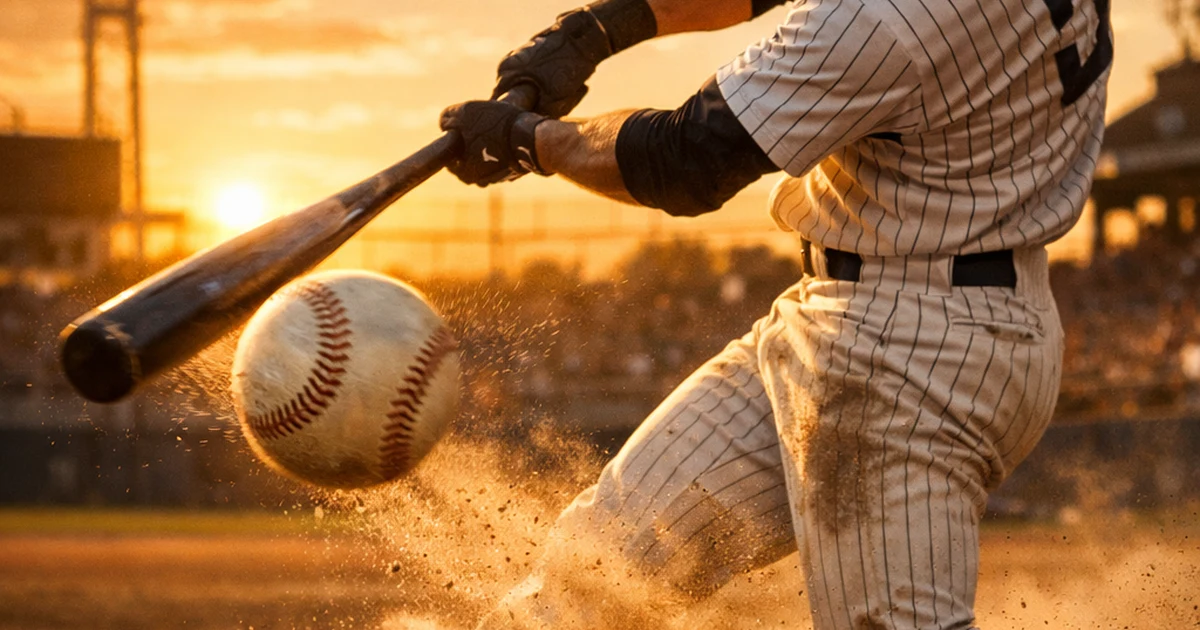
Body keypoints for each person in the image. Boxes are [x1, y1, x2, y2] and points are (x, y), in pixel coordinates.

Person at [438, 0, 1111, 627]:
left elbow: (683, 158)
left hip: (909, 359)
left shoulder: (886, 20)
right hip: (886, 311)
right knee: (591, 578)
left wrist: (531, 140)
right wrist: (603, 27)